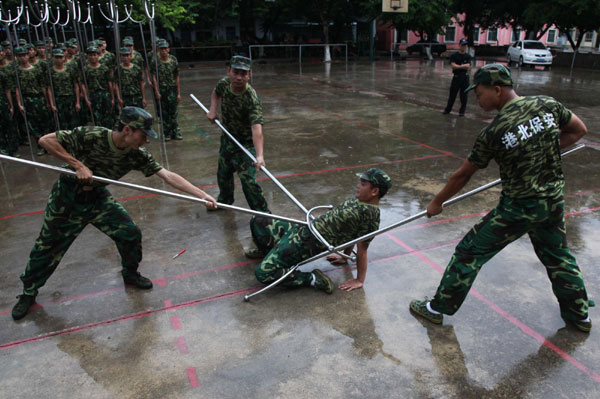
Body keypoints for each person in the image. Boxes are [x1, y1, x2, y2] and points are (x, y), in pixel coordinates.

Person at [410, 64, 593, 333]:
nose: (477, 99)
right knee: (558, 256)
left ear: (497, 90)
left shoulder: (494, 132)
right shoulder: (547, 104)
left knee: (469, 253)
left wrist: (436, 202)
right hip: (552, 201)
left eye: (480, 93)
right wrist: (541, 151)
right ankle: (579, 315)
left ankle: (438, 308)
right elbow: (578, 130)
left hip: (518, 208)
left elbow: (462, 175)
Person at [11, 106, 218, 320]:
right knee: (47, 247)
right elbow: (46, 141)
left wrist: (201, 195)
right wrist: (78, 165)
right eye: (143, 135)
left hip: (97, 199)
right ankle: (28, 293)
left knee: (130, 233)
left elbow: (166, 175)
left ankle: (130, 273)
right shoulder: (92, 135)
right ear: (127, 129)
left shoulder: (135, 154)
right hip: (68, 199)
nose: (145, 141)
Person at [253, 168, 391, 294]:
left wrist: (359, 280)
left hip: (308, 243)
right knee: (258, 220)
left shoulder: (371, 217)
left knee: (263, 273)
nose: (358, 185)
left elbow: (362, 248)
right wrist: (344, 256)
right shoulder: (360, 200)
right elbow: (351, 234)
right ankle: (267, 251)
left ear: (374, 191)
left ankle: (312, 278)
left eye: (363, 184)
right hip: (306, 228)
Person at [207, 55, 269, 212]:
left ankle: (262, 213)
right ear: (229, 71)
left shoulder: (251, 98)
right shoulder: (224, 83)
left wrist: (259, 155)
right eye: (236, 72)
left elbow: (257, 128)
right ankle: (224, 201)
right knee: (223, 174)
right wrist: (213, 109)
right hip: (228, 138)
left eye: (243, 74)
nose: (239, 77)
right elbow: (216, 93)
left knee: (248, 180)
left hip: (245, 144)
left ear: (249, 75)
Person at [14, 46, 49, 155]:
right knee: (32, 125)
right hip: (26, 100)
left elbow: (43, 86)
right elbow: (17, 89)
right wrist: (19, 104)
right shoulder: (17, 72)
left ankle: (48, 145)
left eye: (24, 55)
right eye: (20, 56)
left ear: (28, 55)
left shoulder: (37, 70)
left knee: (44, 122)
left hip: (38, 99)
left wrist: (47, 101)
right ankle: (41, 145)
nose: (23, 58)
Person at [150, 40, 181, 140]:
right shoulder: (155, 61)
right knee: (164, 113)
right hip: (162, 89)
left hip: (172, 89)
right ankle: (166, 133)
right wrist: (157, 91)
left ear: (168, 49)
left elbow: (176, 76)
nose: (163, 51)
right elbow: (154, 77)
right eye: (161, 49)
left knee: (174, 112)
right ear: (158, 50)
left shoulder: (173, 60)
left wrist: (178, 93)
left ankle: (176, 132)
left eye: (165, 48)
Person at [82, 45, 115, 128]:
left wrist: (112, 97)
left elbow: (109, 83)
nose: (93, 57)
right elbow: (82, 84)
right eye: (90, 55)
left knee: (108, 117)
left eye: (94, 55)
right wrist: (86, 98)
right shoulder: (85, 70)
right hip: (93, 95)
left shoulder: (104, 68)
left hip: (105, 94)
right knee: (96, 118)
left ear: (98, 55)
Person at [47, 48, 80, 130]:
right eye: (56, 57)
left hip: (70, 98)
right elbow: (49, 89)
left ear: (64, 58)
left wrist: (78, 102)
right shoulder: (50, 72)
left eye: (60, 57)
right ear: (53, 58)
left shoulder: (70, 70)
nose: (58, 60)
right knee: (61, 123)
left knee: (73, 122)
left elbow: (76, 86)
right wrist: (52, 104)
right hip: (58, 99)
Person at [443, 38, 472, 117]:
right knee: (452, 95)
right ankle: (447, 110)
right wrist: (462, 66)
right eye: (462, 45)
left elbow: (467, 66)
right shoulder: (454, 56)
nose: (463, 47)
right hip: (456, 77)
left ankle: (462, 112)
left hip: (465, 78)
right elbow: (453, 66)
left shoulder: (468, 56)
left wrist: (458, 66)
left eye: (465, 45)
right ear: (459, 45)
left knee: (464, 96)